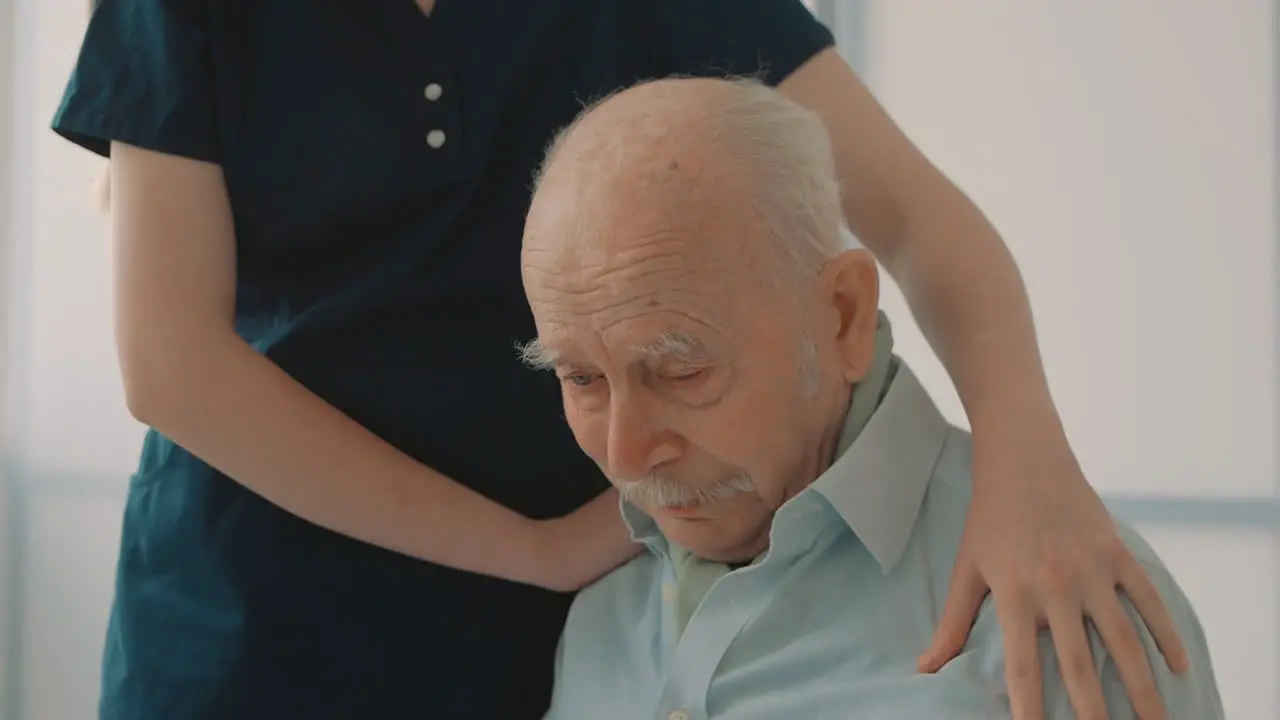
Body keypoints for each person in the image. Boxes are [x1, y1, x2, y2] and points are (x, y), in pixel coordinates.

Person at [53, 1, 1187, 718]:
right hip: (255, 610)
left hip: (543, 628)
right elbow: (168, 364)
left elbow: (915, 222)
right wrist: (531, 550)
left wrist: (1029, 469)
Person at [527, 77, 1223, 720]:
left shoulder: (1071, 610)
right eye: (582, 379)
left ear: (843, 315)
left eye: (682, 373)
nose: (627, 454)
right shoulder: (601, 615)